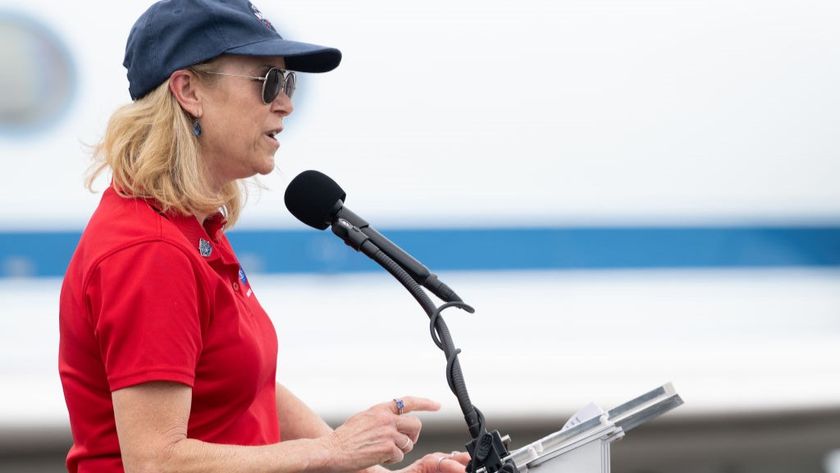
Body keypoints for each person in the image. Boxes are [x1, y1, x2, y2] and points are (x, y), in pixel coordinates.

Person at [58, 1, 471, 472]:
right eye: (268, 82)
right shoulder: (151, 250)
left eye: (288, 82)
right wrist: (334, 452)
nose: (286, 103)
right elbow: (156, 462)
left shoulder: (187, 228)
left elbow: (245, 386)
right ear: (189, 90)